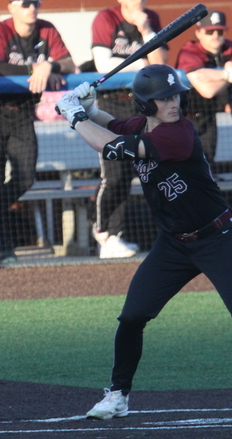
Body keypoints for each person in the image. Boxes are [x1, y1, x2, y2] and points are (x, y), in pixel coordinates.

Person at [54, 64, 232, 419]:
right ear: (145, 105)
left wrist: (74, 115)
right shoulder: (143, 125)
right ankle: (117, 395)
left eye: (175, 96)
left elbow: (112, 148)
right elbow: (114, 126)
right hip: (173, 244)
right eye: (163, 99)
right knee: (132, 316)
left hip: (219, 237)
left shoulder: (178, 134)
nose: (173, 103)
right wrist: (89, 107)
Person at [0, 0, 75, 264]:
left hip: (22, 111)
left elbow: (69, 63)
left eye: (35, 2)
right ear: (12, 7)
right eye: (25, 3)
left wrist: (49, 66)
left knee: (25, 177)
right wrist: (35, 69)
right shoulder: (1, 30)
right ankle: (4, 248)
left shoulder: (47, 29)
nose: (32, 7)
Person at [90, 0, 167, 258]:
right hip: (112, 103)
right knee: (114, 173)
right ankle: (102, 231)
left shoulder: (150, 18)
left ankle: (115, 234)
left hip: (141, 105)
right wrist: (143, 64)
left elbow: (160, 64)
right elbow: (103, 65)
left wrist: (146, 30)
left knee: (133, 171)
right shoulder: (106, 18)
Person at [175, 12, 232, 178]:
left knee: (205, 167)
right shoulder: (190, 51)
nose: (216, 36)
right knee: (183, 170)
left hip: (208, 118)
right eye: (210, 32)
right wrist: (231, 72)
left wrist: (225, 74)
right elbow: (207, 90)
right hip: (182, 119)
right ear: (199, 33)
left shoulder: (231, 48)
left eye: (220, 31)